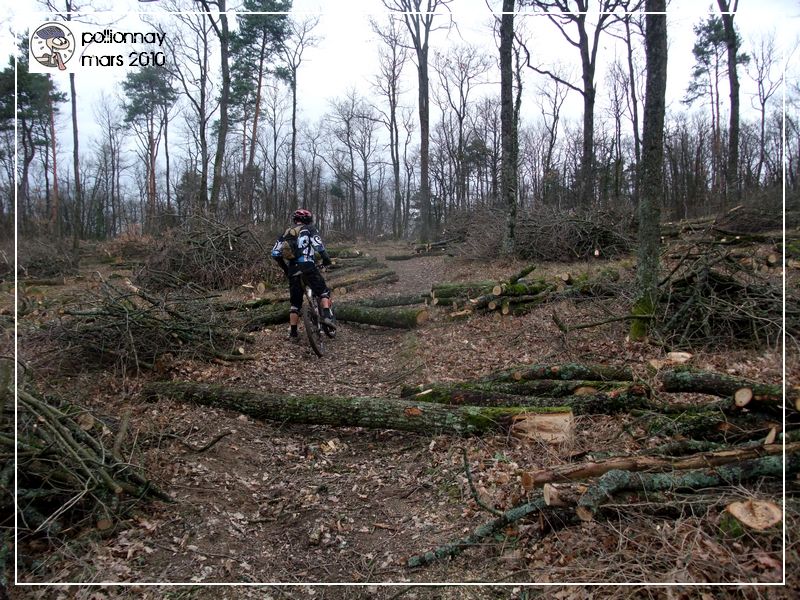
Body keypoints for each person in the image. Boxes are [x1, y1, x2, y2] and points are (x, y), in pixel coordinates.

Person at [271, 209, 335, 340]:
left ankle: (293, 334)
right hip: (308, 266)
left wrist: (286, 269)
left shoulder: (285, 233)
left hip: (293, 269)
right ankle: (328, 317)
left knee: (295, 304)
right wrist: (326, 260)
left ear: (295, 219)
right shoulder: (309, 229)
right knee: (323, 291)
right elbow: (319, 246)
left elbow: (275, 254)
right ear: (308, 220)